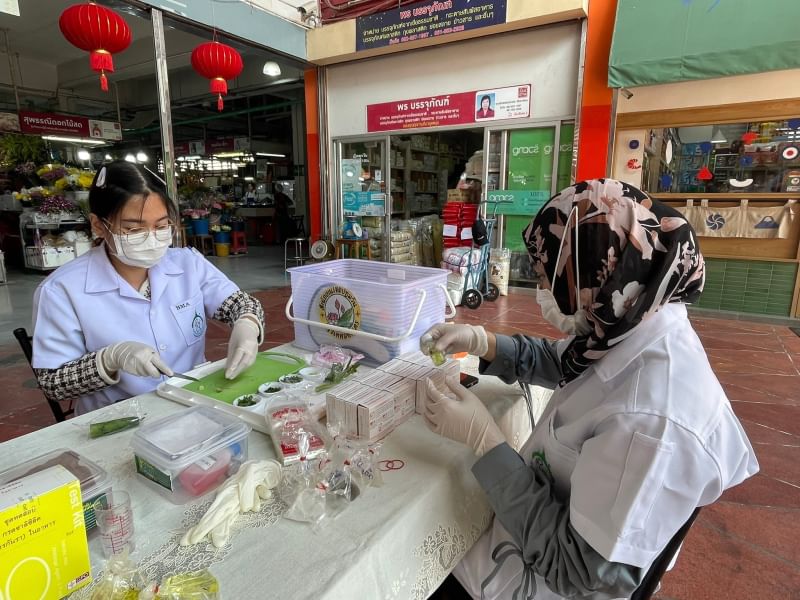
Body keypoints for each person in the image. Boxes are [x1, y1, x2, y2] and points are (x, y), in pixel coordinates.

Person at [420, 179, 758, 599]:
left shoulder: (652, 422)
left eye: (548, 278)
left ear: (596, 275)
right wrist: (482, 341)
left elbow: (574, 569)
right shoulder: (632, 316)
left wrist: (486, 442)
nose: (543, 292)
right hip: (526, 530)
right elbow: (568, 361)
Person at [31, 161, 265, 415]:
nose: (152, 238)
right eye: (133, 229)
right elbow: (53, 383)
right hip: (121, 417)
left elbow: (240, 303)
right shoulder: (61, 289)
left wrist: (247, 323)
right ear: (98, 225)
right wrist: (109, 359)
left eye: (161, 226)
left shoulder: (187, 263)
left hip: (194, 401)